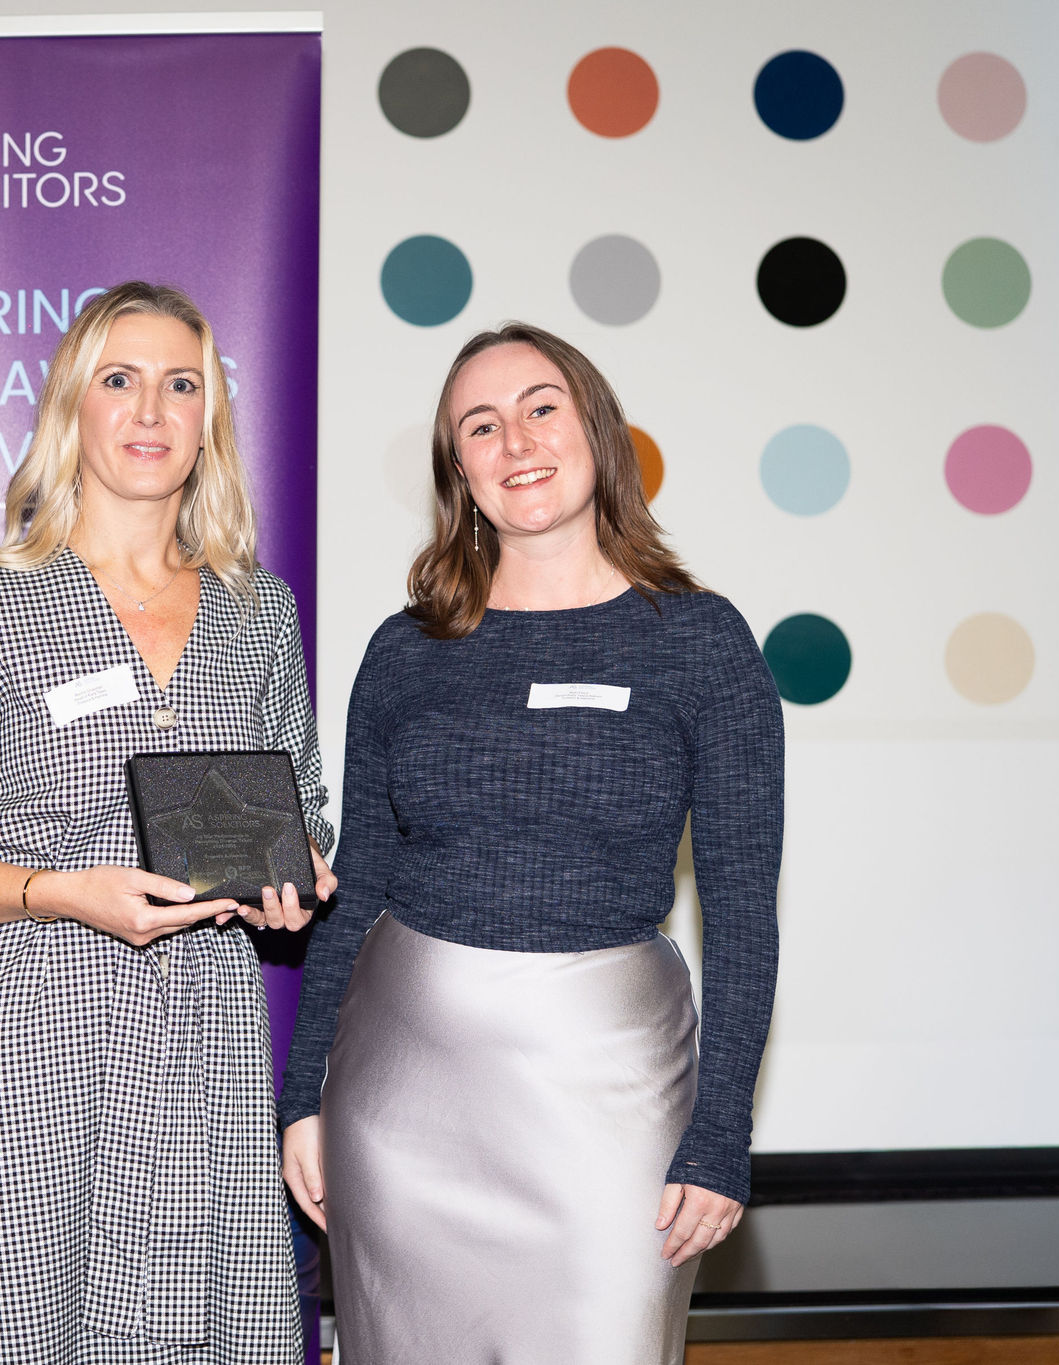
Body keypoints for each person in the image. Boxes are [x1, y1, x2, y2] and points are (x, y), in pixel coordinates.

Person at [281, 323, 784, 1365]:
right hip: (400, 1096)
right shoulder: (404, 650)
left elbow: (741, 909)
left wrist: (721, 1136)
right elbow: (359, 881)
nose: (514, 441)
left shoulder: (700, 642)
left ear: (595, 428)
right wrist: (301, 1099)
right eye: (480, 425)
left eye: (540, 408)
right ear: (457, 470)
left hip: (609, 1097)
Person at [0, 281, 335, 1365]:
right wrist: (59, 893)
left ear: (209, 416)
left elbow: (305, 811)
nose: (149, 411)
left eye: (181, 385)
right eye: (118, 380)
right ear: (70, 408)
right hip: (19, 1043)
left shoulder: (257, 610)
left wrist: (294, 877)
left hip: (205, 1051)